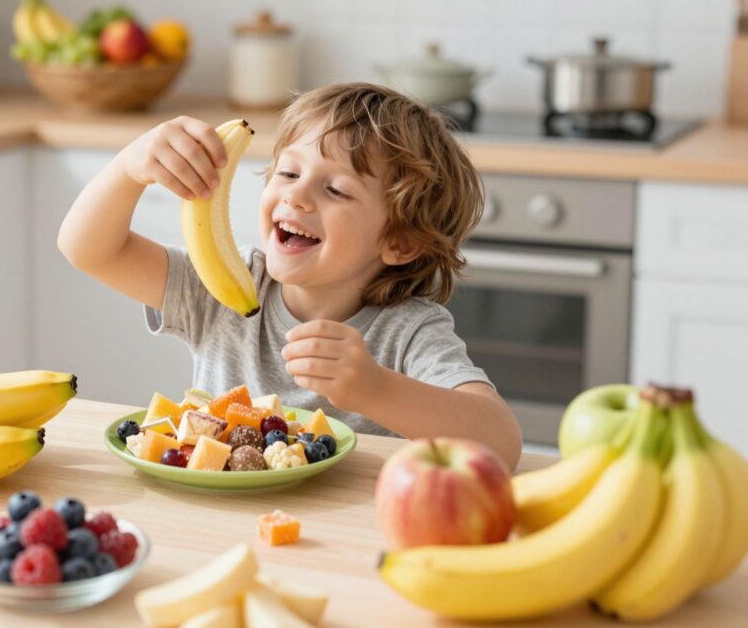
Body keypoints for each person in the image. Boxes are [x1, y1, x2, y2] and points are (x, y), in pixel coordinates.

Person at [58, 83, 522, 469]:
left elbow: (500, 441)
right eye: (287, 172)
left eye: (335, 189)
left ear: (399, 242)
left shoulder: (409, 329)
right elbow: (89, 249)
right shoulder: (226, 283)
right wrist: (128, 168)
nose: (296, 197)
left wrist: (376, 388)